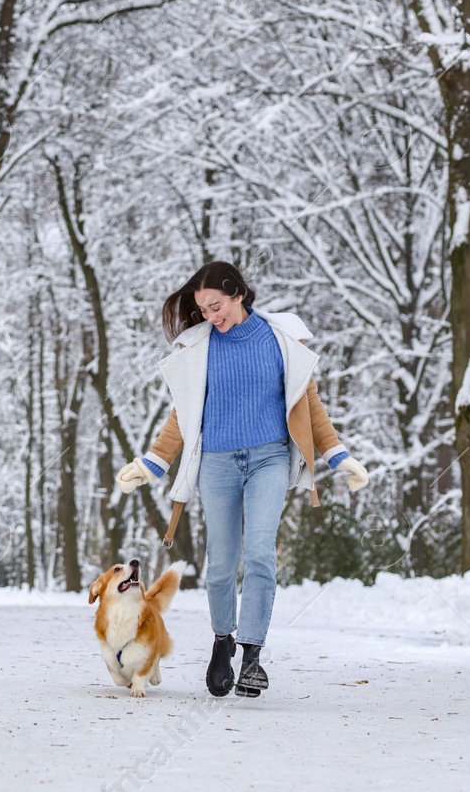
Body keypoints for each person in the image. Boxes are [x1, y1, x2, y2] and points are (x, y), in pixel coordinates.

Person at [116, 262, 368, 697]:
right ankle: (222, 641)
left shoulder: (281, 341)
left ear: (238, 293)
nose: (212, 316)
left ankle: (251, 654)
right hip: (217, 463)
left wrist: (338, 456)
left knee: (259, 555)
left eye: (216, 305)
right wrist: (151, 463)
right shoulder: (201, 349)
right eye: (203, 310)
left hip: (269, 458)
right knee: (220, 564)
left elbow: (309, 402)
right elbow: (184, 415)